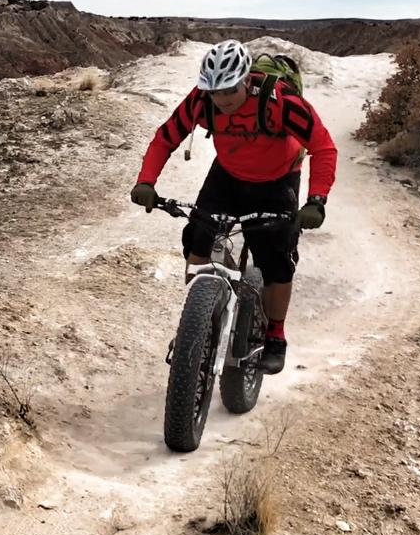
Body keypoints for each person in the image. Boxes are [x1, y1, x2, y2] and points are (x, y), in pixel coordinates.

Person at [129, 40, 337, 374]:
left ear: (246, 80)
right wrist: (146, 181)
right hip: (229, 173)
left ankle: (275, 334)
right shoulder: (201, 101)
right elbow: (166, 137)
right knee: (198, 235)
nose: (222, 99)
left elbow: (324, 147)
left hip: (278, 178)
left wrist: (316, 201)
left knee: (276, 258)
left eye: (229, 90)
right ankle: (193, 326)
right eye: (215, 92)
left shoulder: (281, 103)